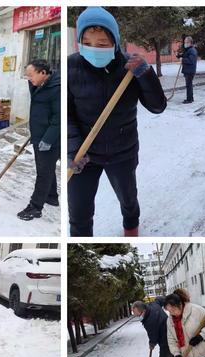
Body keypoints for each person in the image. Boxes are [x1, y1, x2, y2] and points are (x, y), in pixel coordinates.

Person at [68, 7, 167, 237]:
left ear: (115, 42)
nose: (94, 49)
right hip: (83, 153)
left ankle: (131, 228)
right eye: (87, 42)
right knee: (79, 213)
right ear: (79, 42)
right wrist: (73, 149)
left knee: (128, 199)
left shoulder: (130, 68)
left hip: (122, 151)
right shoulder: (71, 67)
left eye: (102, 44)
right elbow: (67, 114)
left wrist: (145, 74)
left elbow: (157, 106)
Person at [17, 60, 60, 221]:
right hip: (39, 134)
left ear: (43, 73)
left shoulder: (57, 89)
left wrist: (48, 138)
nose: (28, 79)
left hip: (51, 138)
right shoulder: (38, 84)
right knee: (47, 169)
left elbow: (59, 117)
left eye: (30, 75)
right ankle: (52, 196)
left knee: (43, 172)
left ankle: (35, 207)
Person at [176, 36, 198, 104]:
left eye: (186, 42)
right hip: (187, 70)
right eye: (185, 42)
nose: (185, 43)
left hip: (190, 71)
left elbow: (190, 60)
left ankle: (189, 99)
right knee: (189, 85)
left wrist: (182, 60)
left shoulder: (192, 50)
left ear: (190, 42)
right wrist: (179, 55)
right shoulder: (189, 49)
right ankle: (190, 98)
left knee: (189, 85)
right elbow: (185, 55)